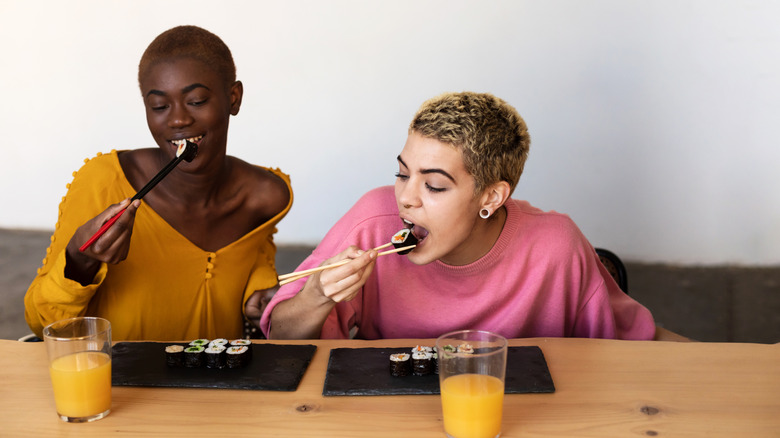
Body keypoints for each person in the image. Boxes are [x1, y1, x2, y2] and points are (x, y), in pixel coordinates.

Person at [260, 91, 687, 341]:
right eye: (402, 173)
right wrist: (316, 297)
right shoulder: (374, 220)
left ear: (492, 196)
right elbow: (279, 335)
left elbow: (639, 346)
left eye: (434, 185)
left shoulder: (555, 246)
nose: (406, 199)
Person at [24, 25, 292, 341]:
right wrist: (80, 260)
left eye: (196, 100)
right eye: (159, 107)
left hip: (222, 386)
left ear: (233, 98)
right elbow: (40, 323)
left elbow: (255, 261)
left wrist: (257, 290)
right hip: (122, 385)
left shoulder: (264, 195)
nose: (178, 119)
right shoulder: (104, 182)